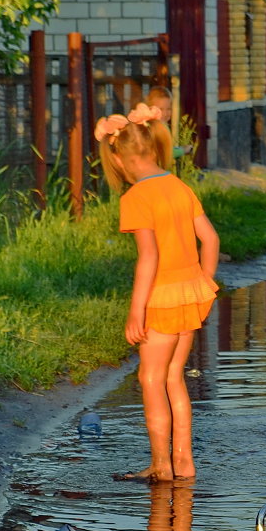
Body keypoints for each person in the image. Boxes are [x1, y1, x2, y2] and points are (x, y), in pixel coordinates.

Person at [96, 103, 219, 482]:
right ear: (151, 147)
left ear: (118, 158)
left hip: (162, 300)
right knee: (174, 379)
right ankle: (185, 462)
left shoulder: (135, 197)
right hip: (190, 294)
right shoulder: (179, 186)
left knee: (150, 379)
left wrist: (137, 312)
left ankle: (161, 465)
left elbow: (148, 257)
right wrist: (205, 285)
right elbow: (210, 239)